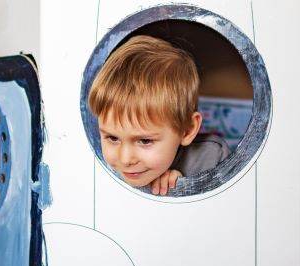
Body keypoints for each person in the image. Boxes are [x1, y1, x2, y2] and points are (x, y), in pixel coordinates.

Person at [88, 35, 230, 195]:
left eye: (145, 141)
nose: (125, 159)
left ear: (188, 130)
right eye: (113, 138)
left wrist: (184, 184)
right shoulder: (95, 165)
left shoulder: (212, 156)